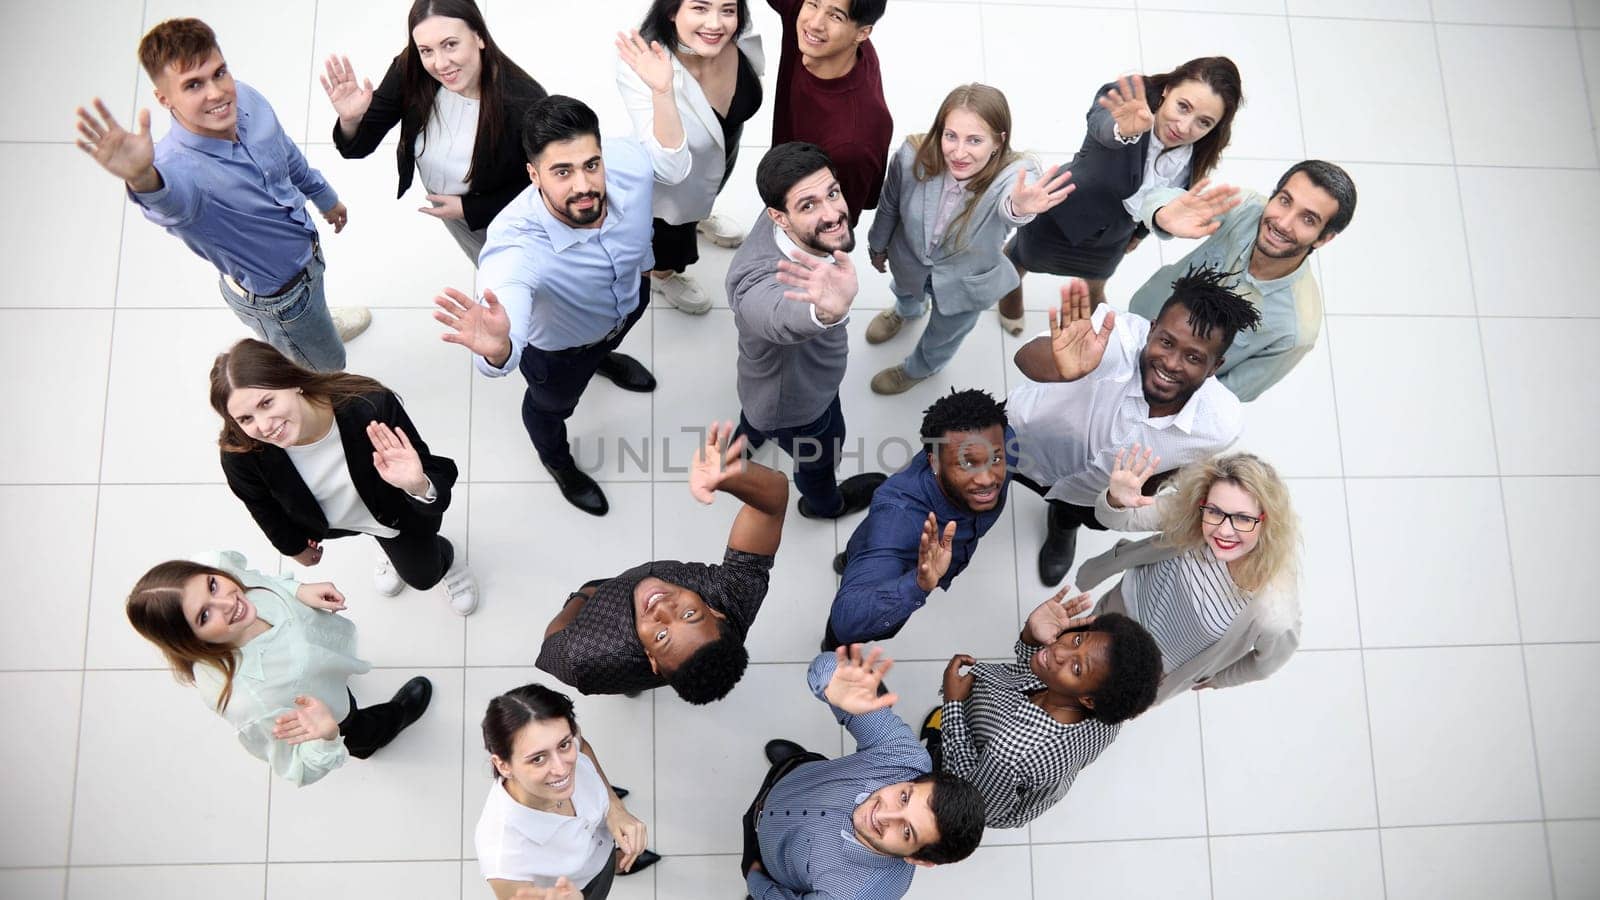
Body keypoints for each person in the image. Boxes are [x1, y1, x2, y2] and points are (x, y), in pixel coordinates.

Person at [433, 95, 687, 516]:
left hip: (627, 305)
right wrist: (500, 348)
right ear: (534, 174)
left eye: (591, 165)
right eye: (562, 172)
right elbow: (507, 297)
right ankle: (558, 462)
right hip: (559, 354)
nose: (584, 186)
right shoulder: (516, 244)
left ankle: (605, 359)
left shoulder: (628, 165)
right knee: (550, 406)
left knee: (607, 342)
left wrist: (643, 273)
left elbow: (674, 167)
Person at [73, 17, 367, 373]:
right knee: (328, 369)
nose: (217, 93)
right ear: (164, 98)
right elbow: (168, 203)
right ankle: (314, 357)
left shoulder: (248, 101)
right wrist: (142, 178)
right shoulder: (178, 171)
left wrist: (324, 197)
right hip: (280, 300)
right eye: (193, 85)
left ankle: (318, 330)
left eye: (219, 73)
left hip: (306, 260)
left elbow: (286, 155)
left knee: (316, 328)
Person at [1010, 270, 1260, 585]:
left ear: (1215, 368)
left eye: (1193, 357)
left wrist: (1142, 490)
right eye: (1166, 342)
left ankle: (1063, 526)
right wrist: (1063, 368)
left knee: (1073, 513)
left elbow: (1182, 462)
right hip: (1025, 442)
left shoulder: (1220, 424)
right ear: (1151, 331)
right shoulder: (1116, 337)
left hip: (1090, 495)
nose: (1171, 363)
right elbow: (1025, 359)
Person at [209, 339, 479, 614]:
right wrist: (293, 547)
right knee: (382, 538)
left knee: (424, 576)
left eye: (267, 403)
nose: (264, 427)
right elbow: (261, 505)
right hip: (334, 522)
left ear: (291, 380)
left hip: (397, 511)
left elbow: (434, 475)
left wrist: (418, 485)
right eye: (245, 419)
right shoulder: (241, 453)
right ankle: (387, 545)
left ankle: (443, 556)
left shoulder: (367, 404)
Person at [126, 550, 432, 786]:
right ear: (190, 641)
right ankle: (382, 730)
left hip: (326, 665)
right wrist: (326, 735)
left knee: (339, 684)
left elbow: (255, 577)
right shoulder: (250, 701)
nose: (227, 603)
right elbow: (296, 767)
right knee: (359, 727)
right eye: (204, 616)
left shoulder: (213, 565)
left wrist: (296, 590)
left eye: (214, 585)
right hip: (333, 713)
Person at [536, 422, 787, 704]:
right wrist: (733, 478)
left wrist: (584, 594)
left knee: (623, 678)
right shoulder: (733, 596)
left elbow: (551, 643)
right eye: (690, 615)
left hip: (599, 609)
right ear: (717, 614)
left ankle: (633, 682)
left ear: (652, 660)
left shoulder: (585, 656)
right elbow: (773, 503)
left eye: (662, 635)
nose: (662, 607)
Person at [996, 58, 1243, 333]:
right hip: (1064, 214)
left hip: (1115, 236)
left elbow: (1168, 204)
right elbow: (1101, 123)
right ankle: (1009, 291)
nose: (1184, 127)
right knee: (1022, 257)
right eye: (1183, 107)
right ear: (1168, 89)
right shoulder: (1130, 102)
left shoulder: (1196, 156)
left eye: (1203, 122)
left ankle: (1094, 294)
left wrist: (1140, 234)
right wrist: (1123, 130)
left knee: (1099, 276)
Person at [864, 83, 1074, 394]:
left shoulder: (1015, 173)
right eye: (951, 136)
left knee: (943, 336)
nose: (959, 152)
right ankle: (906, 311)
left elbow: (1012, 203)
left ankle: (918, 369)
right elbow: (890, 204)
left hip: (966, 282)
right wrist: (877, 245)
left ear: (998, 142)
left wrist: (1019, 207)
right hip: (909, 261)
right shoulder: (912, 156)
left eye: (974, 140)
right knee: (907, 292)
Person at [745, 646, 986, 899]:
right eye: (904, 797)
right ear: (914, 779)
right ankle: (789, 763)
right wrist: (833, 684)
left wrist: (756, 880)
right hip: (795, 777)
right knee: (791, 766)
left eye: (906, 832)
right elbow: (826, 664)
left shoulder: (859, 894)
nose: (883, 814)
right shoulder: (905, 758)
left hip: (768, 862)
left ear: (918, 859)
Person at [727, 142, 886, 519]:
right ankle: (824, 505)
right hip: (799, 405)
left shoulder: (782, 216)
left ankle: (739, 451)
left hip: (761, 390)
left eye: (832, 193)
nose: (833, 214)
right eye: (809, 205)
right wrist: (823, 313)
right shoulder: (757, 282)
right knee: (819, 461)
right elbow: (776, 315)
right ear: (778, 217)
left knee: (755, 419)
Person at [321, 0, 548, 262]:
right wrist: (351, 119)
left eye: (450, 44)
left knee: (529, 274)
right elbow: (358, 147)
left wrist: (469, 208)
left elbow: (543, 185)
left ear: (479, 37)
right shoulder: (411, 69)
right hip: (457, 216)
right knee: (488, 264)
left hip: (506, 212)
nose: (440, 64)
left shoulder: (525, 101)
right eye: (426, 50)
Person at [1075, 446, 1301, 705]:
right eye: (1215, 511)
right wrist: (1115, 500)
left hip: (1149, 672)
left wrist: (1217, 679)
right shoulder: (1192, 510)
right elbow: (1117, 519)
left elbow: (1266, 663)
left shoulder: (1274, 605)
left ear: (1266, 520)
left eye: (1242, 518)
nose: (1224, 531)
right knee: (1063, 665)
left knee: (1095, 712)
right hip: (1116, 611)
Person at [927, 588, 1162, 828]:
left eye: (1077, 668)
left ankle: (936, 748)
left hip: (969, 776)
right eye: (1079, 640)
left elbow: (967, 802)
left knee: (935, 777)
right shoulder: (1103, 713)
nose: (1060, 651)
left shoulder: (1010, 753)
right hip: (1002, 764)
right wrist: (1031, 638)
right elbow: (1033, 675)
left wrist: (954, 705)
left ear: (1088, 700)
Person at [1126, 159, 1357, 401]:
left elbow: (1227, 396)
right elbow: (1167, 198)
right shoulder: (1245, 207)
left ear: (1323, 238)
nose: (1283, 223)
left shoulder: (1296, 330)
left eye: (1308, 219)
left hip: (1167, 387)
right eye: (1284, 201)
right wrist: (1164, 213)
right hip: (1137, 321)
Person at [825, 389, 1011, 648]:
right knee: (843, 634)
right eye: (967, 464)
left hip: (894, 549)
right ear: (934, 462)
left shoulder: (1004, 440)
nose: (987, 479)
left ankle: (849, 561)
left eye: (996, 459)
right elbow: (846, 620)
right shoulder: (898, 522)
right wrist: (918, 584)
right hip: (894, 563)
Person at [617, 0, 764, 314]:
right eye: (700, 8)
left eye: (727, 9)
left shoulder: (735, 31)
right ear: (672, 11)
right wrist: (662, 91)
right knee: (669, 236)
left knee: (710, 189)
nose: (715, 24)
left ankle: (702, 215)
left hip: (722, 153)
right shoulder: (642, 63)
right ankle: (662, 275)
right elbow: (668, 168)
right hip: (673, 183)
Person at [476, 683, 661, 900]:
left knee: (610, 856)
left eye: (564, 745)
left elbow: (581, 746)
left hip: (600, 842)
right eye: (538, 758)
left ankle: (621, 860)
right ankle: (619, 867)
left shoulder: (563, 738)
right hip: (580, 888)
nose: (562, 769)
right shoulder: (504, 856)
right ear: (503, 765)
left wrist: (615, 808)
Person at [767, 0, 891, 226]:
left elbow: (833, 227)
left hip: (805, 220)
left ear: (862, 33)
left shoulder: (852, 144)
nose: (814, 24)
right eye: (813, 4)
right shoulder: (815, 25)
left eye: (835, 17)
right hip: (786, 174)